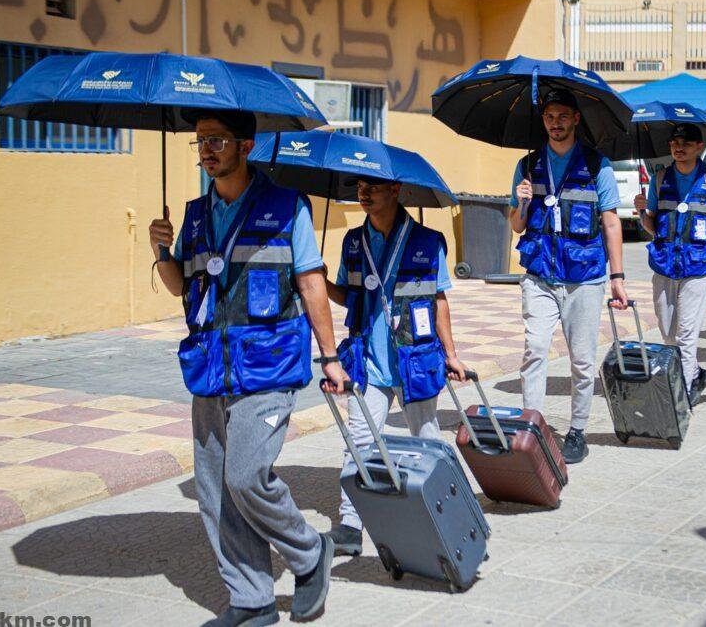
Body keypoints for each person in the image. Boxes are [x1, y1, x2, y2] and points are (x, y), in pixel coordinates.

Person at [149, 109, 344, 627]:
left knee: (246, 475)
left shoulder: (287, 206)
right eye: (200, 142)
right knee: (215, 489)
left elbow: (310, 282)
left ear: (246, 146)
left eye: (217, 141)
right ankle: (252, 598)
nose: (206, 151)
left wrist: (330, 356)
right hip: (210, 367)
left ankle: (309, 552)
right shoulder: (194, 215)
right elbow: (180, 286)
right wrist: (162, 250)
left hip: (269, 365)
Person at [321, 176, 468, 557]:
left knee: (427, 440)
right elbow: (347, 296)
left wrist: (451, 353)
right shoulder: (353, 241)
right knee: (359, 442)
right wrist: (320, 281)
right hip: (367, 363)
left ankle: (448, 514)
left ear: (395, 190)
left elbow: (438, 300)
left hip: (413, 361)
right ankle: (350, 525)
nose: (364, 193)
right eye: (360, 187)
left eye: (373, 186)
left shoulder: (427, 241)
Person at [509, 88, 628, 465]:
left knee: (581, 359)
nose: (555, 123)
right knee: (535, 350)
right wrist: (523, 201)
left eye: (562, 116)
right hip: (540, 275)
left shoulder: (597, 165)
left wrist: (618, 276)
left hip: (584, 277)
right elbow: (516, 226)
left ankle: (577, 431)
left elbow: (611, 222)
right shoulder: (528, 165)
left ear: (576, 118)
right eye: (549, 117)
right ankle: (532, 425)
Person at [634, 123, 706, 406]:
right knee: (668, 333)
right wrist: (642, 212)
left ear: (699, 147)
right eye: (674, 143)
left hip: (697, 268)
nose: (679, 148)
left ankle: (685, 390)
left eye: (686, 143)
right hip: (664, 265)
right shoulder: (659, 179)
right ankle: (696, 374)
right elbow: (654, 228)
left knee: (687, 334)